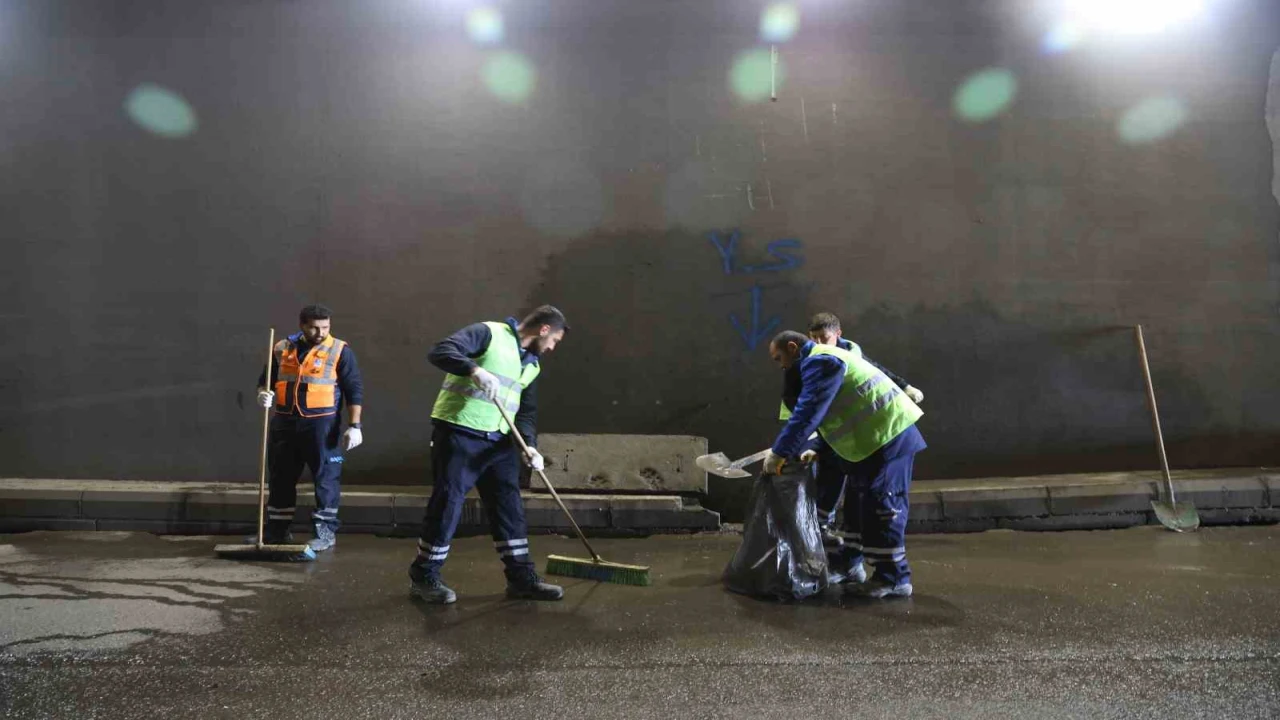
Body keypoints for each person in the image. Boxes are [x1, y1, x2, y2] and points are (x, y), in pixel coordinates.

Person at [408, 305, 569, 605]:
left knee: (509, 506)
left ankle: (521, 578)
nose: (551, 348)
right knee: (448, 503)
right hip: (459, 434)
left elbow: (526, 413)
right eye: (555, 340)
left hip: (498, 443)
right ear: (544, 329)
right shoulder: (489, 333)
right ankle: (424, 575)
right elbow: (440, 351)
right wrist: (474, 370)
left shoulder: (532, 365)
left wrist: (529, 446)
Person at [764, 330, 926, 598]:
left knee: (884, 508)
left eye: (779, 357)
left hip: (888, 439)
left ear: (792, 347)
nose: (780, 365)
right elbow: (838, 412)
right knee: (857, 508)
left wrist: (780, 452)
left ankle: (895, 578)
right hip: (870, 443)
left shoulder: (822, 361)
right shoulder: (819, 362)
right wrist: (816, 447)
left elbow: (810, 411)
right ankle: (850, 564)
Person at [253, 304, 364, 553]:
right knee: (280, 477)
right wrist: (263, 395)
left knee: (326, 479)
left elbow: (353, 390)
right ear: (302, 325)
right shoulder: (281, 348)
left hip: (322, 424)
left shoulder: (339, 350)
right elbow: (265, 382)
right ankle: (276, 531)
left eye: (325, 327)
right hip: (284, 422)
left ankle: (325, 532)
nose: (320, 332)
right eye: (314, 327)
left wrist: (354, 425)